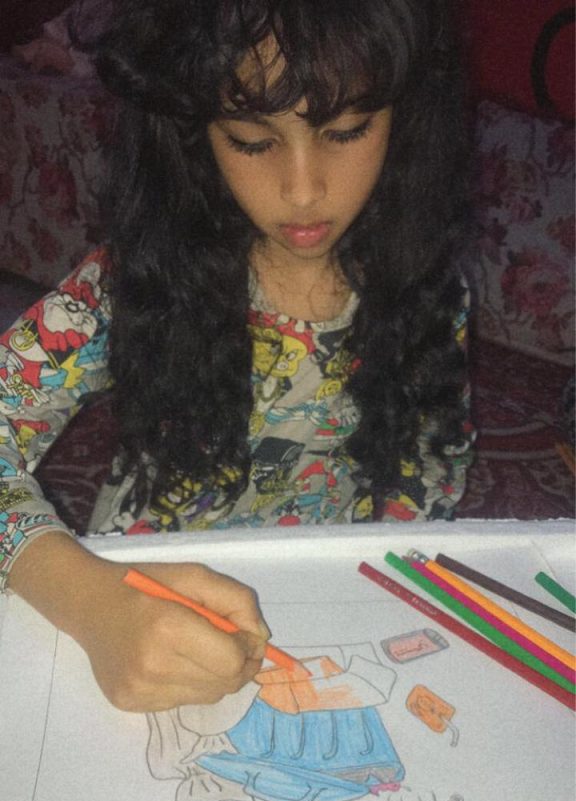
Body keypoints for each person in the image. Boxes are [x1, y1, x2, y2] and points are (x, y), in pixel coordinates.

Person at [0, 0, 474, 713]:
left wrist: (383, 585)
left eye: (346, 131)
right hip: (144, 611)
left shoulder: (430, 289)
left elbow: (433, 472)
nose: (303, 190)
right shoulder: (132, 285)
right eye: (253, 142)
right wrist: (86, 598)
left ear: (403, 120)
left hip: (331, 613)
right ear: (198, 134)